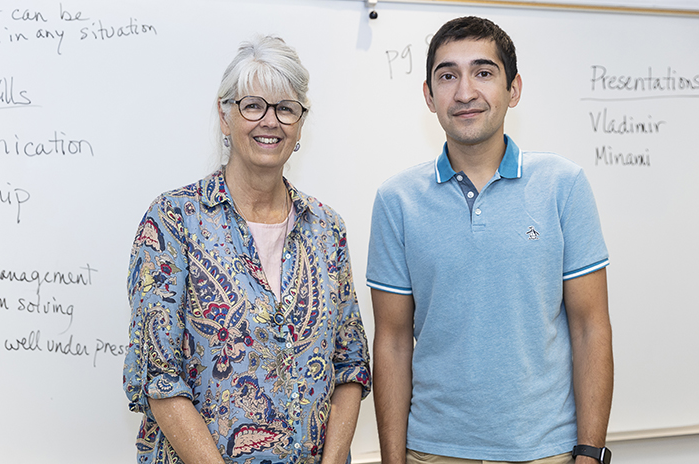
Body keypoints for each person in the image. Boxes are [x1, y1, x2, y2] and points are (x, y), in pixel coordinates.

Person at [366, 16, 613, 464]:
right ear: (429, 95)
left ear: (513, 89)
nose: (464, 92)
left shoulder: (564, 185)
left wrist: (590, 453)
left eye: (483, 72)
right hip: (431, 451)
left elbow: (590, 327)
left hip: (546, 452)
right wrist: (392, 460)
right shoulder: (396, 200)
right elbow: (393, 341)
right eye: (447, 76)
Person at [124, 35, 371, 464]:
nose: (270, 121)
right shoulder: (172, 221)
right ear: (225, 116)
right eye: (253, 105)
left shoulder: (327, 229)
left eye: (286, 108)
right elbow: (158, 376)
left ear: (300, 123)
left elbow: (350, 365)